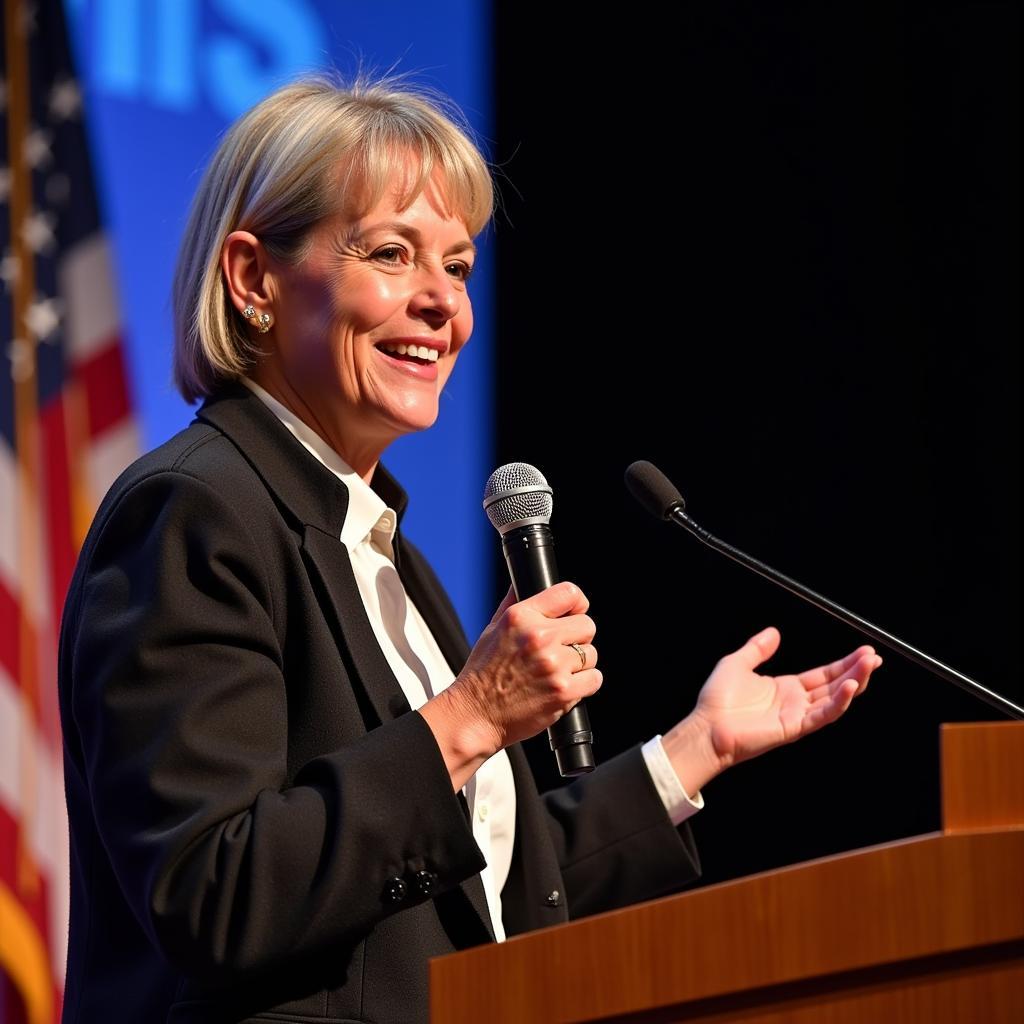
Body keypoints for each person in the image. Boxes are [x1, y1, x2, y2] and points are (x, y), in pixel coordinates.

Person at [56, 71, 882, 1024]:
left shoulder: (379, 550)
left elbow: (475, 890)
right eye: (392, 253)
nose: (443, 304)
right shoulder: (195, 512)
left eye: (457, 266)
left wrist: (693, 750)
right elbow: (216, 892)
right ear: (254, 280)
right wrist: (474, 712)